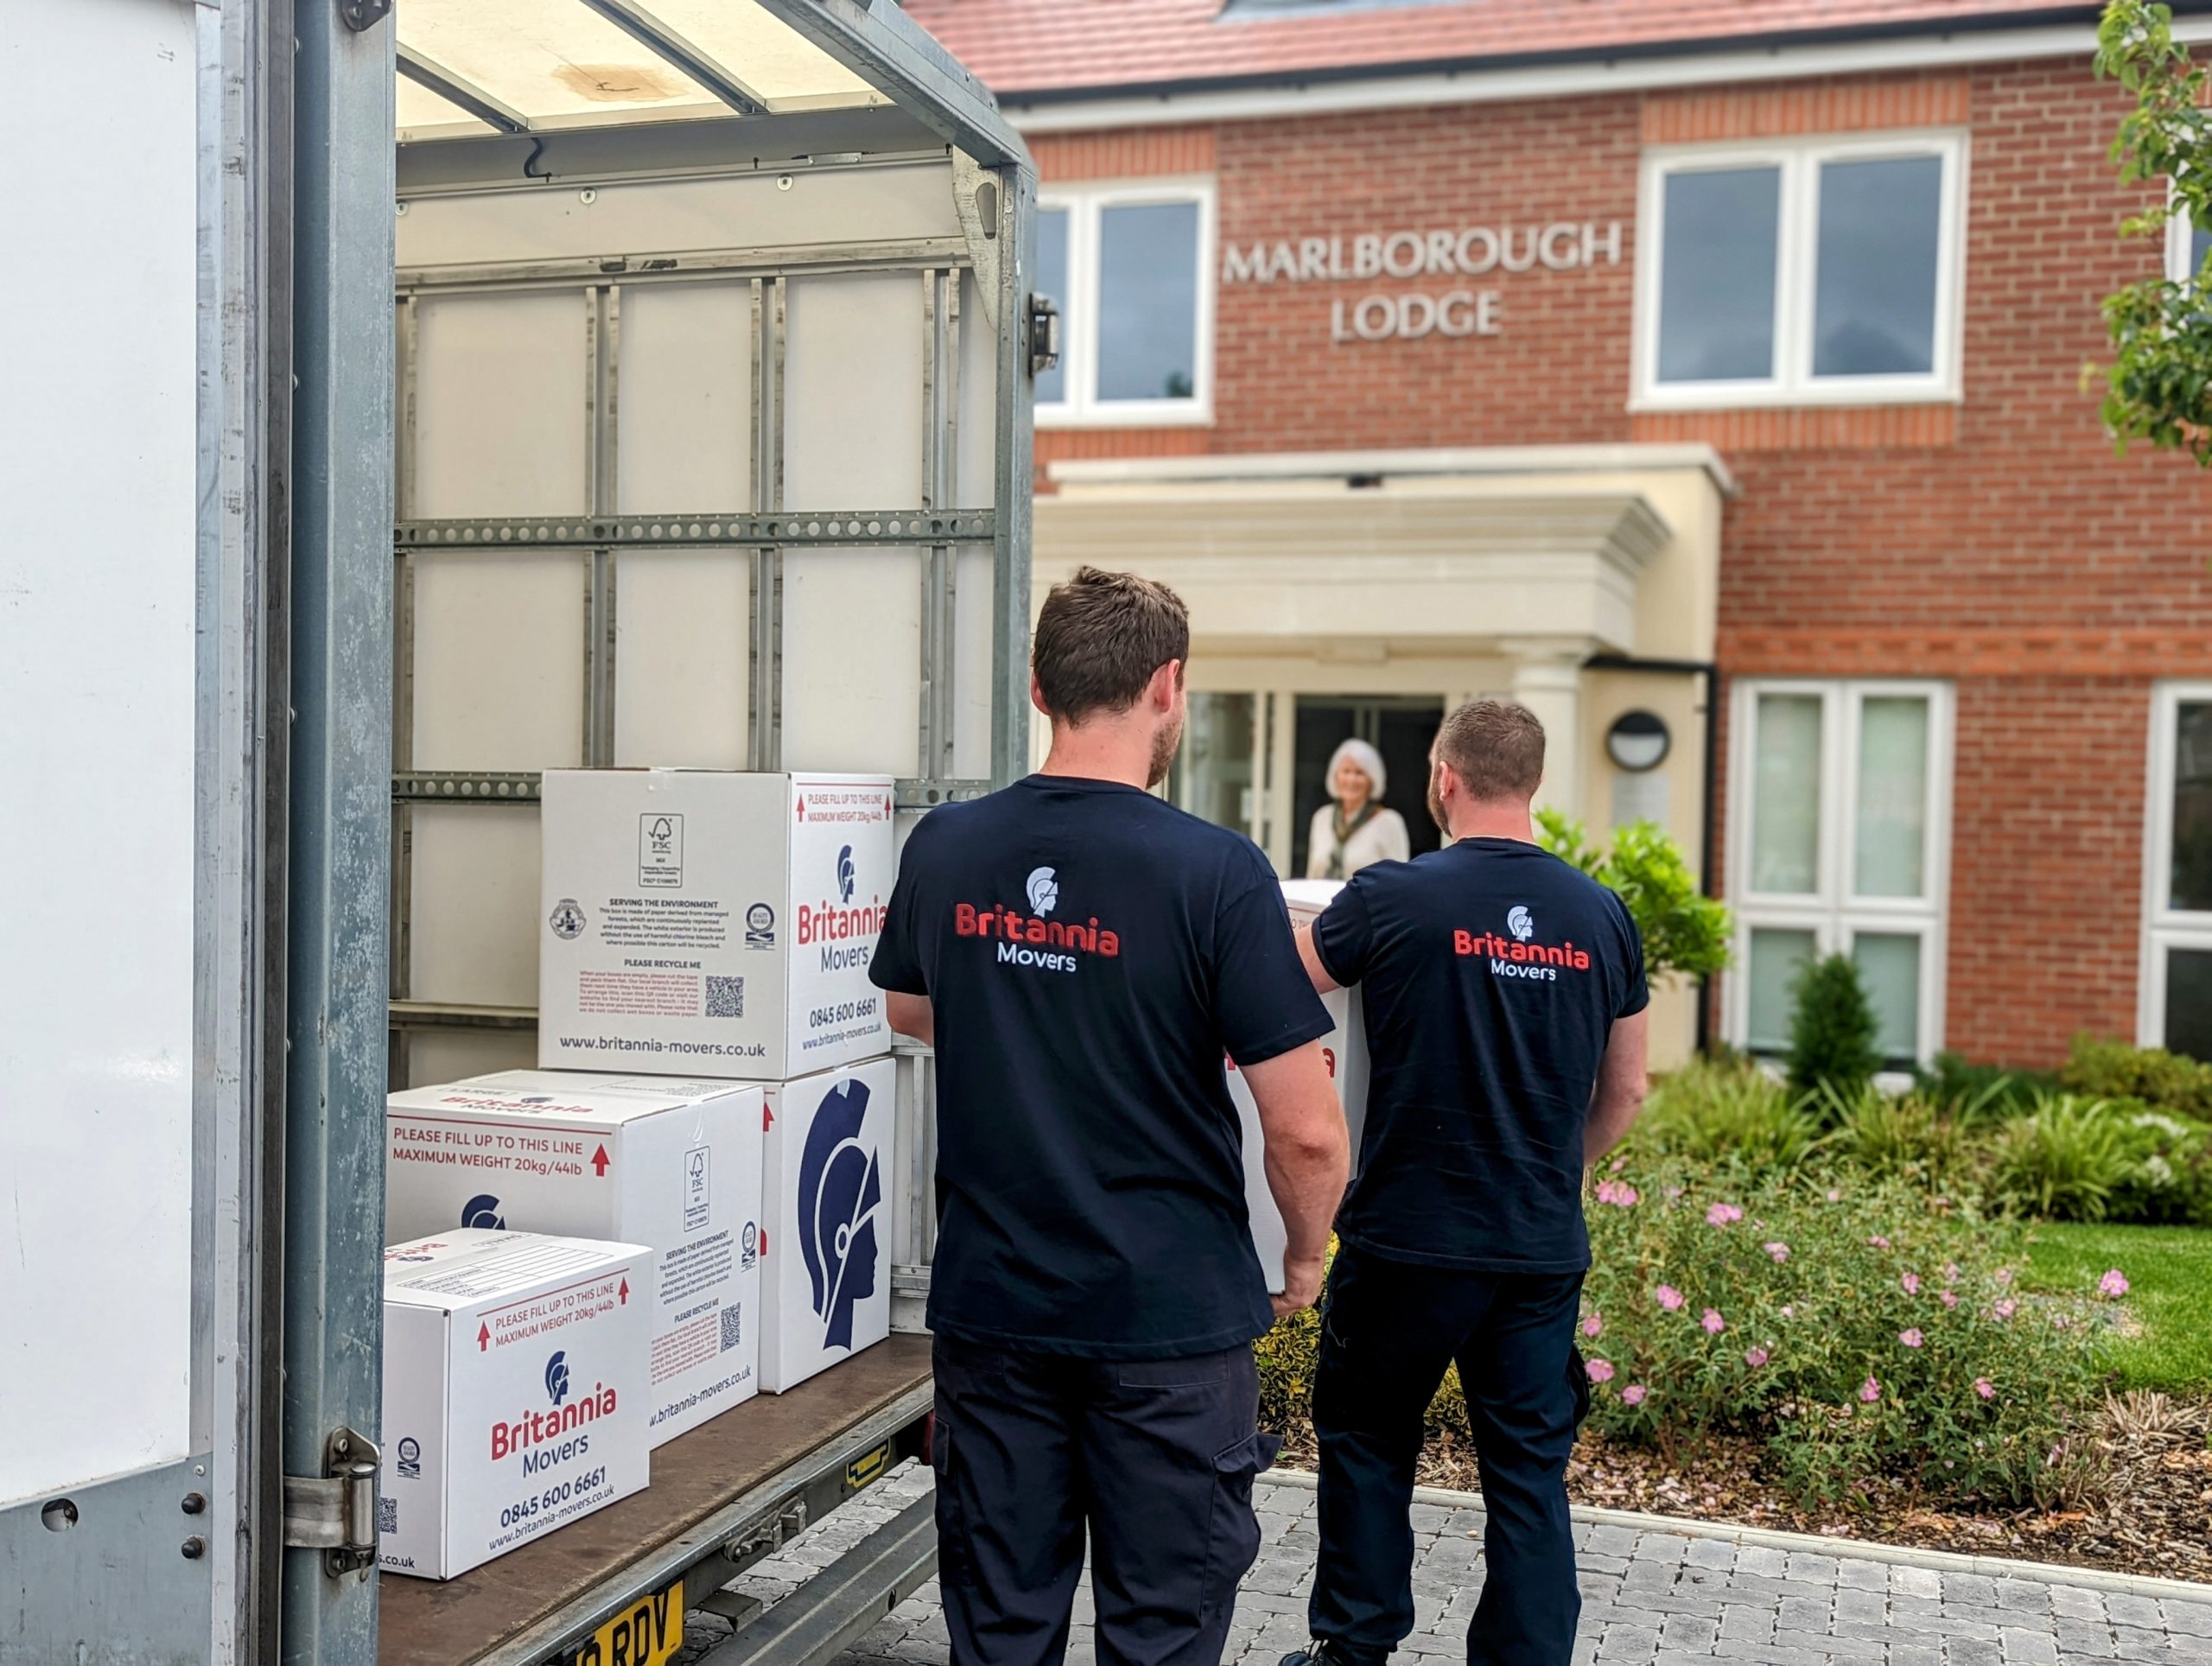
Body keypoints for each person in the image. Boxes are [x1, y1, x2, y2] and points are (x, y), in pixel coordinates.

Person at [870, 565, 1351, 1666]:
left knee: (1000, 1625)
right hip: (1167, 1327)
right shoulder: (1217, 872)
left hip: (996, 1314)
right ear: (1168, 687)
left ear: (1039, 686)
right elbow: (1309, 1128)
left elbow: (909, 1001)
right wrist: (1310, 1260)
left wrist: (1032, 1011)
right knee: (1161, 1629)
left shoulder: (946, 845)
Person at [1279, 700, 1650, 1666]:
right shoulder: (1601, 914)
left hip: (1405, 1238)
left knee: (1366, 1441)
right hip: (1535, 1247)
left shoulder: (1391, 895)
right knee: (1528, 1471)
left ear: (1442, 777)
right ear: (1532, 785)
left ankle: (1353, 1650)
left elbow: (1279, 979)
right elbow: (1629, 1087)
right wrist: (1548, 1171)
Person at [1306, 738, 1410, 881]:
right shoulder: (1322, 817)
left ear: (1372, 780)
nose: (1351, 780)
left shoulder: (1389, 822)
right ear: (1335, 777)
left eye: (1359, 773)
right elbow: (1311, 875)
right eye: (1346, 771)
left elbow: (1400, 880)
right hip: (1322, 902)